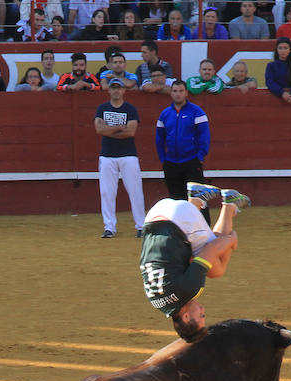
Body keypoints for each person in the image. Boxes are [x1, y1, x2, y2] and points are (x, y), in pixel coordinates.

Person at [139, 183, 250, 340]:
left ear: (186, 317)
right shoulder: (158, 303)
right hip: (154, 215)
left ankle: (229, 204)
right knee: (204, 262)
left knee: (217, 269)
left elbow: (211, 249)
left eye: (201, 316)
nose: (203, 309)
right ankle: (197, 199)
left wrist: (231, 240)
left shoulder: (189, 290)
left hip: (179, 219)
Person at [95, 78, 145, 239]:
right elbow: (99, 130)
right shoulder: (102, 108)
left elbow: (130, 132)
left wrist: (108, 130)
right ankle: (109, 227)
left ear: (124, 90)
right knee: (107, 193)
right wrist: (118, 128)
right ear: (109, 90)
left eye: (119, 88)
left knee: (135, 191)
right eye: (113, 88)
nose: (116, 91)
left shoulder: (130, 109)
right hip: (107, 156)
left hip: (128, 155)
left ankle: (141, 226)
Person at [155, 80, 212, 210]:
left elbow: (204, 136)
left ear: (186, 93)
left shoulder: (197, 111)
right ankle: (180, 230)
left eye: (181, 91)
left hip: (191, 161)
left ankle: (204, 229)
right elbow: (159, 139)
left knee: (198, 200)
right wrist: (163, 159)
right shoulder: (165, 114)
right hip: (171, 163)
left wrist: (200, 157)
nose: (178, 94)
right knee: (176, 201)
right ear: (171, 93)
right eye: (175, 91)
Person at [265, 36, 291, 103]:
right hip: (276, 98)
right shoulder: (271, 66)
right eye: (280, 48)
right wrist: (282, 93)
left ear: (290, 49)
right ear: (276, 50)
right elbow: (269, 82)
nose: (283, 51)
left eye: (285, 48)